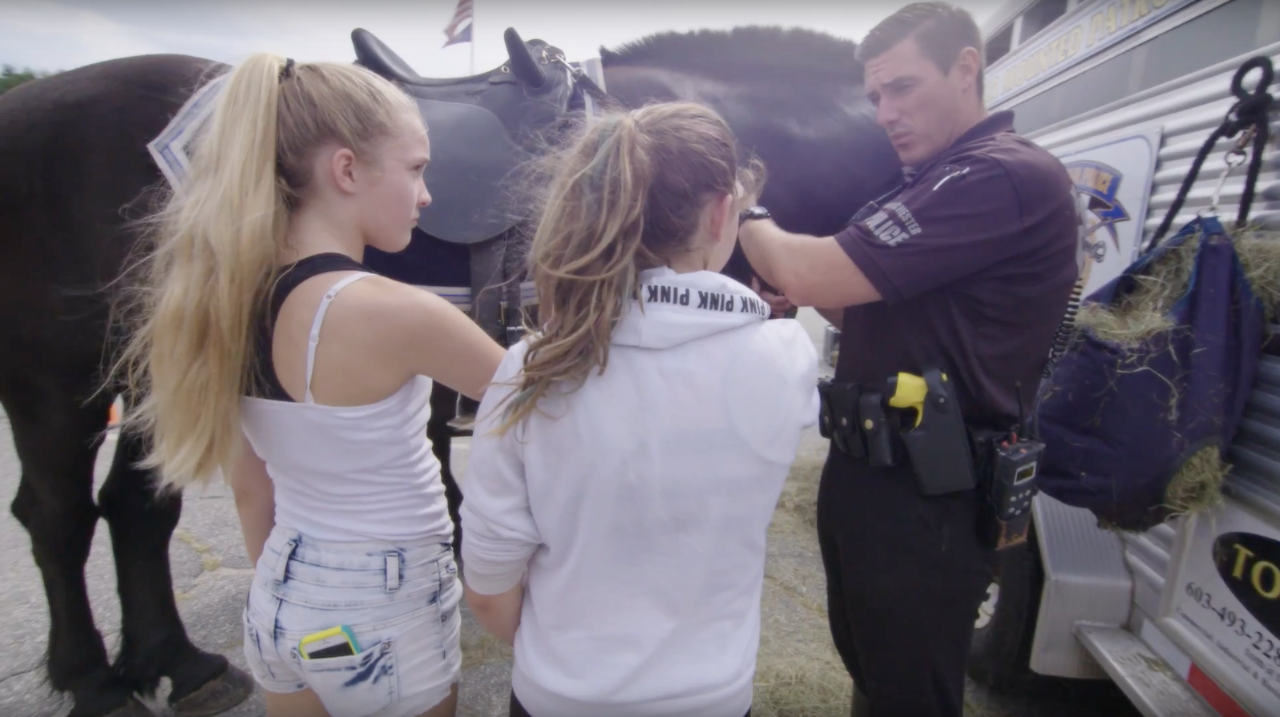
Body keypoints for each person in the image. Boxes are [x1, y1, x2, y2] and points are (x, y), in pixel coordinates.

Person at [113, 54, 506, 717]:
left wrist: (305, 599)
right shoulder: (393, 311)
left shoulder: (224, 302)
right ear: (346, 169)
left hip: (278, 598)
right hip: (383, 600)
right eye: (416, 168)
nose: (427, 194)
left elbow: (250, 489)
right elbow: (549, 404)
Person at [734, 4, 1082, 717]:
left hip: (929, 495)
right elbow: (855, 304)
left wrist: (742, 209)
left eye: (903, 87)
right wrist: (801, 293)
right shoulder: (926, 178)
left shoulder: (1002, 176)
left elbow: (814, 273)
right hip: (878, 475)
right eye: (874, 97)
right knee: (879, 673)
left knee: (908, 693)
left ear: (966, 67)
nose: (885, 112)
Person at [457, 102, 820, 717]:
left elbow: (489, 591)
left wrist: (569, 659)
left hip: (560, 697)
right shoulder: (787, 356)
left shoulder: (531, 370)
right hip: (716, 698)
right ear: (720, 213)